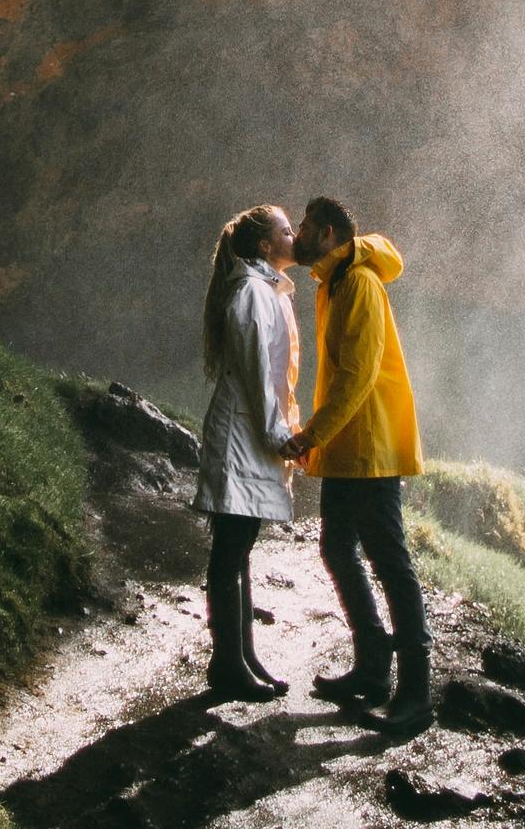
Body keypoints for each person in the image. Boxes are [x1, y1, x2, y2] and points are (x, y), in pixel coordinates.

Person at [291, 194, 429, 735]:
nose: (296, 237)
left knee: (391, 562)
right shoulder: (334, 281)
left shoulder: (360, 283)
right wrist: (322, 440)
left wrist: (311, 435)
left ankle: (416, 695)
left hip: (369, 447)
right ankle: (374, 669)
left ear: (327, 233)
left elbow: (358, 376)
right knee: (337, 549)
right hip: (348, 449)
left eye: (303, 228)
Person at [191, 203, 303, 700]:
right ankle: (226, 664)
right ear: (264, 246)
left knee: (239, 547)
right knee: (231, 547)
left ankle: (243, 655)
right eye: (286, 229)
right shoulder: (255, 293)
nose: (294, 233)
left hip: (248, 432)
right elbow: (260, 374)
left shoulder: (265, 289)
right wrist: (279, 434)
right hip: (243, 435)